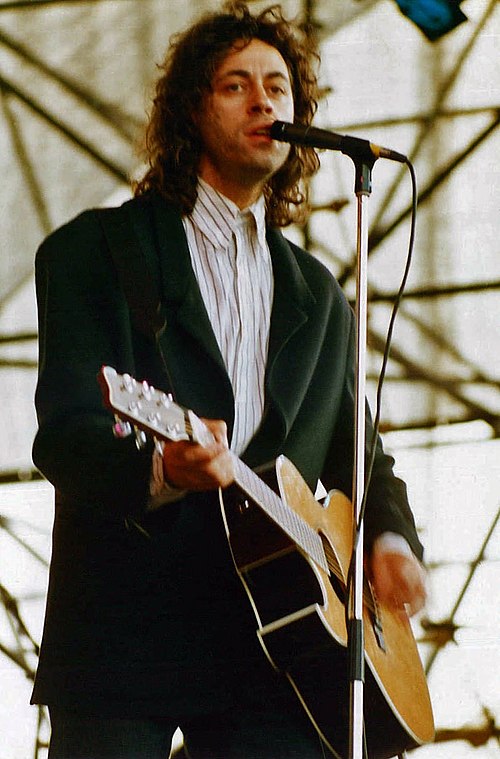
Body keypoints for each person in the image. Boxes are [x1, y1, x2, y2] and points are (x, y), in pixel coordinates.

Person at [32, 2, 427, 757]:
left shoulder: (319, 293)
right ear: (190, 110)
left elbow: (363, 456)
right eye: (235, 85)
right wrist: (160, 467)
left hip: (277, 646)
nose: (264, 101)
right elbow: (67, 435)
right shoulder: (96, 252)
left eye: (278, 87)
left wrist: (389, 537)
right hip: (127, 629)